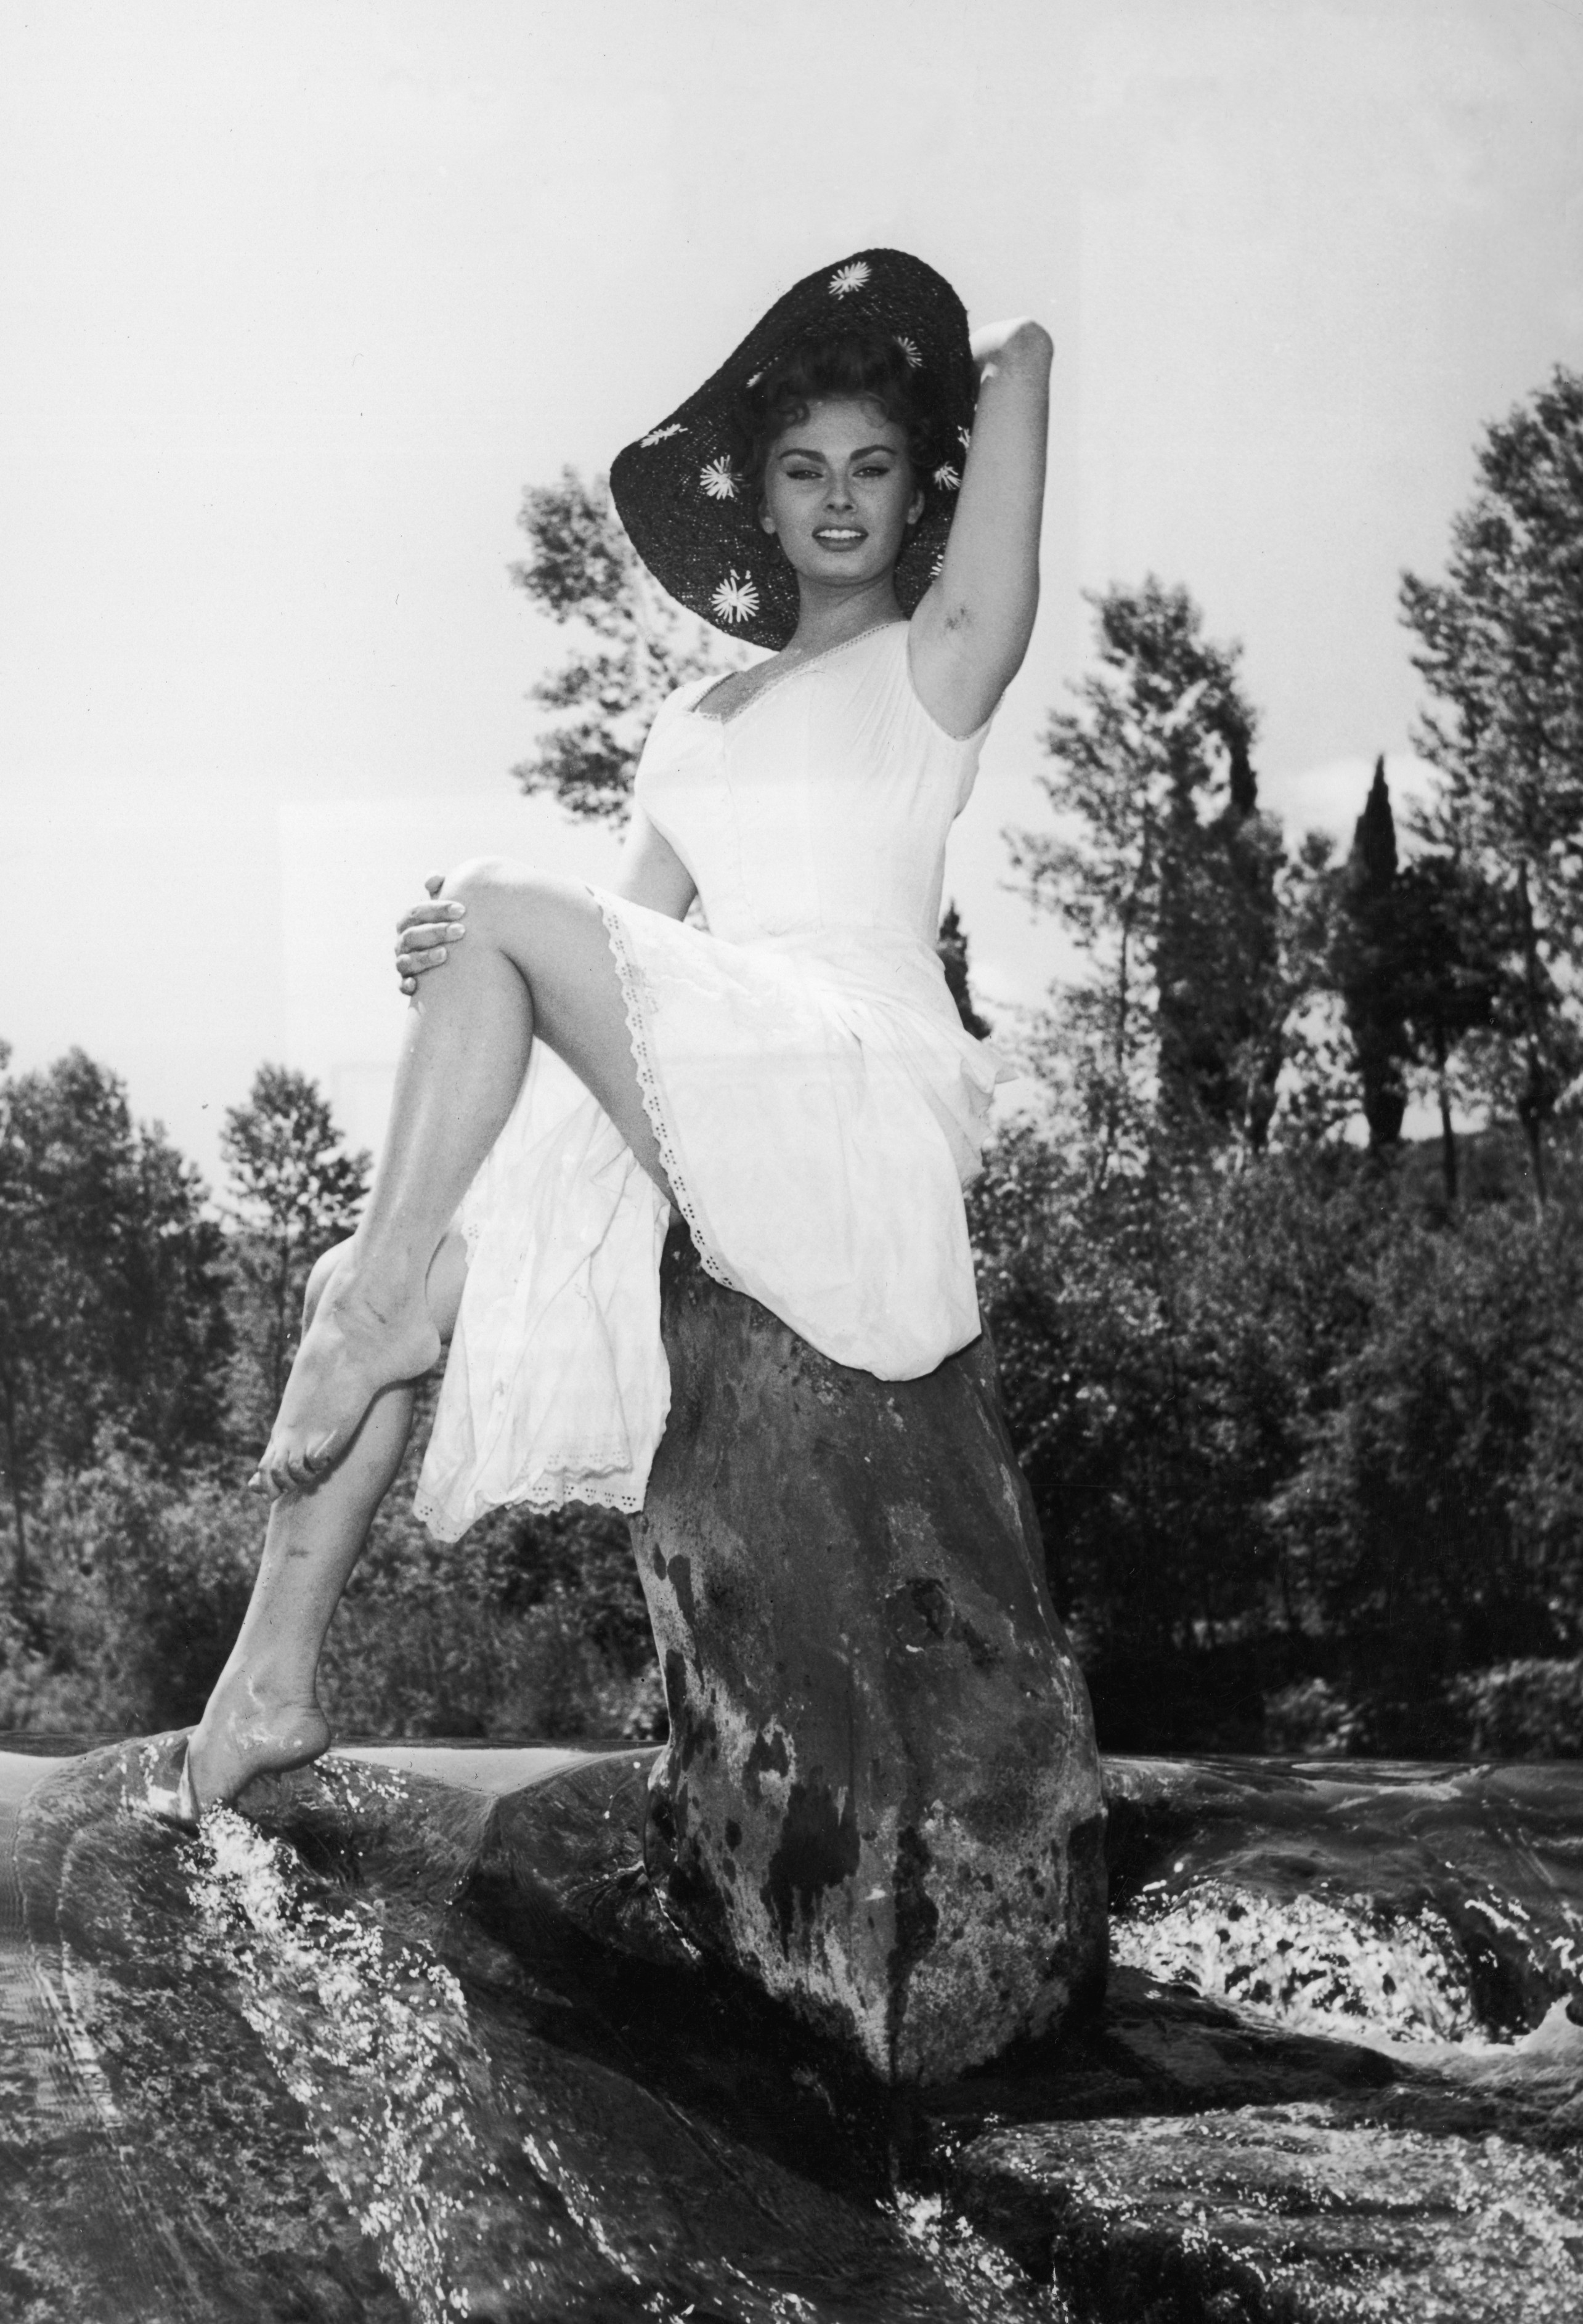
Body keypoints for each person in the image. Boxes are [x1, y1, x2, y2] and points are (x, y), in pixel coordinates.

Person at [163, 250, 1052, 1822]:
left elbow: (1026, 352)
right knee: (371, 1248)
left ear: (924, 487)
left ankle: (371, 1310)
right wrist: (463, 954)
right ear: (758, 499)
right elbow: (626, 939)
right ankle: (269, 1679)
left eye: (873, 466)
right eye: (803, 468)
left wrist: (929, 351)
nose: (839, 499)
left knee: (479, 958)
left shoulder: (938, 660)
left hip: (850, 1081)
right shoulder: (693, 724)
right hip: (717, 1065)